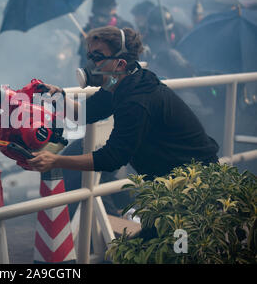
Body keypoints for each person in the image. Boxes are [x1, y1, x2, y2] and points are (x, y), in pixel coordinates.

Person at [27, 26, 219, 182]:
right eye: (90, 56)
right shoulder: (121, 83)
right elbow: (85, 113)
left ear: (120, 64)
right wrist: (58, 97)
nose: (92, 64)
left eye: (98, 57)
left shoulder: (137, 100)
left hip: (195, 182)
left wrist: (56, 160)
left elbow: (112, 158)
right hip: (170, 180)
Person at [78, 0, 134, 67]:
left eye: (104, 14)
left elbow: (132, 57)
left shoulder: (124, 29)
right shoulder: (87, 31)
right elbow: (84, 63)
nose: (100, 19)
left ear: (112, 10)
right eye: (99, 14)